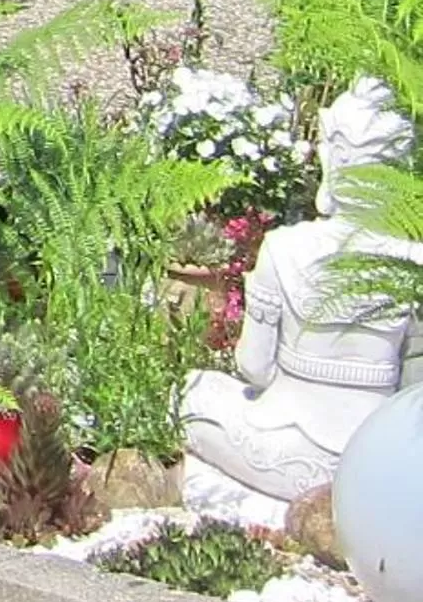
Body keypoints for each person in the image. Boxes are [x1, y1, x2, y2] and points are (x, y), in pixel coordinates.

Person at [180, 77, 423, 501]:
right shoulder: (414, 261)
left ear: (335, 160)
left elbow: (253, 367)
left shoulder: (286, 247)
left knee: (191, 392)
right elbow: (412, 390)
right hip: (377, 462)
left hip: (283, 447)